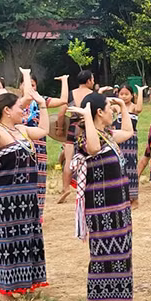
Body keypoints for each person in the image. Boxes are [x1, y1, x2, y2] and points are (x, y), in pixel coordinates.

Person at [0, 79, 49, 301]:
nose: (23, 110)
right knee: (9, 242)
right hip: (7, 198)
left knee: (28, 238)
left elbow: (44, 129)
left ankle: (26, 283)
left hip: (27, 195)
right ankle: (6, 290)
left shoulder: (21, 129)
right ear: (7, 111)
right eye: (20, 107)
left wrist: (43, 105)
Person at [68, 93, 135, 301]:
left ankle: (104, 298)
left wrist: (123, 107)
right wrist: (87, 117)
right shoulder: (87, 138)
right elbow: (94, 149)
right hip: (101, 207)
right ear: (98, 112)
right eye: (109, 108)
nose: (112, 112)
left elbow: (128, 132)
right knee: (102, 252)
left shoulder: (107, 134)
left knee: (118, 250)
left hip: (117, 204)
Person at [20, 72, 69, 221]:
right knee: (24, 180)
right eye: (28, 84)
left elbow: (63, 101)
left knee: (40, 180)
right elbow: (27, 97)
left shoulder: (41, 101)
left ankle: (38, 215)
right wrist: (26, 75)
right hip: (22, 146)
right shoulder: (15, 103)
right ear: (20, 86)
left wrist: (64, 81)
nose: (31, 88)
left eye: (34, 85)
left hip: (40, 146)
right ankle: (24, 214)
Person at [59, 70, 97, 203]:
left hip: (72, 127)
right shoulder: (93, 95)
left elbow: (61, 113)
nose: (93, 81)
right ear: (88, 81)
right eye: (92, 79)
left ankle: (65, 188)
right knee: (90, 159)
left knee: (68, 160)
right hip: (88, 128)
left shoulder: (71, 94)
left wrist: (59, 128)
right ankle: (89, 188)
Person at [114, 83, 146, 208]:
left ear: (132, 95)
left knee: (131, 167)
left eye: (127, 94)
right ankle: (123, 197)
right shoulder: (117, 108)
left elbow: (140, 108)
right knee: (119, 166)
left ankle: (134, 198)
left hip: (131, 141)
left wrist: (140, 92)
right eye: (121, 94)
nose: (124, 97)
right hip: (118, 139)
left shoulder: (133, 107)